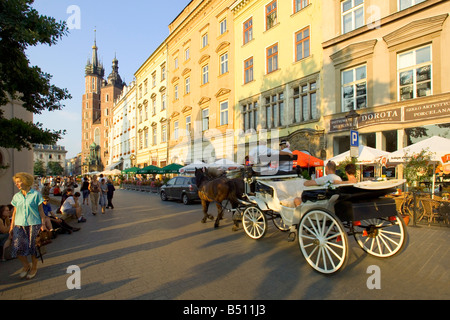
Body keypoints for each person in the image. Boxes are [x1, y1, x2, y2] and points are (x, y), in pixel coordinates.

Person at [9, 172, 48, 280]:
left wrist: (43, 224)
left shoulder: (36, 195)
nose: (17, 184)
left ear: (25, 181)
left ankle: (34, 267)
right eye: (15, 182)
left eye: (18, 181)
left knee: (33, 248)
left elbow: (41, 211)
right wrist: (12, 227)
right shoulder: (16, 196)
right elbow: (14, 212)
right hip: (19, 224)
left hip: (33, 224)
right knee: (16, 248)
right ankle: (26, 265)